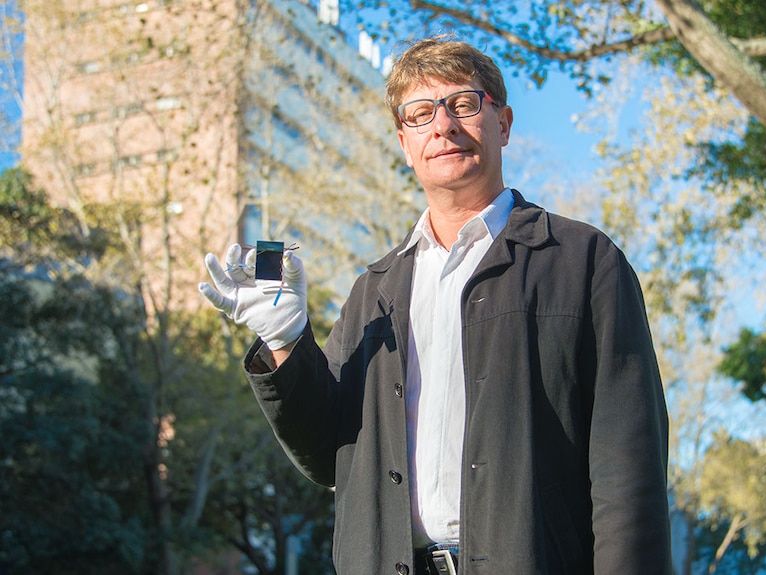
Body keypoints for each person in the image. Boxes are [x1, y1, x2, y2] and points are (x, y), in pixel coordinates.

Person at [199, 37, 671, 575]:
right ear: (404, 142)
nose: (442, 127)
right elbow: (329, 453)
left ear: (504, 123)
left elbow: (627, 469)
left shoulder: (583, 262)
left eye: (464, 105)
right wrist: (285, 343)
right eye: (420, 114)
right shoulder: (372, 291)